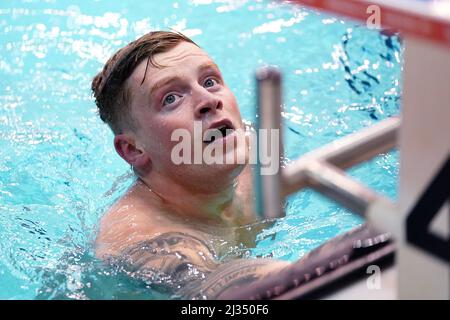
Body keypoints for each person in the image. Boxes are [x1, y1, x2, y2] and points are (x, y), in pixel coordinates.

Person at [92, 30, 293, 299]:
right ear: (133, 149)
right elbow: (210, 290)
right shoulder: (141, 238)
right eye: (171, 98)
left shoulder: (257, 151)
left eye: (210, 81)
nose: (209, 101)